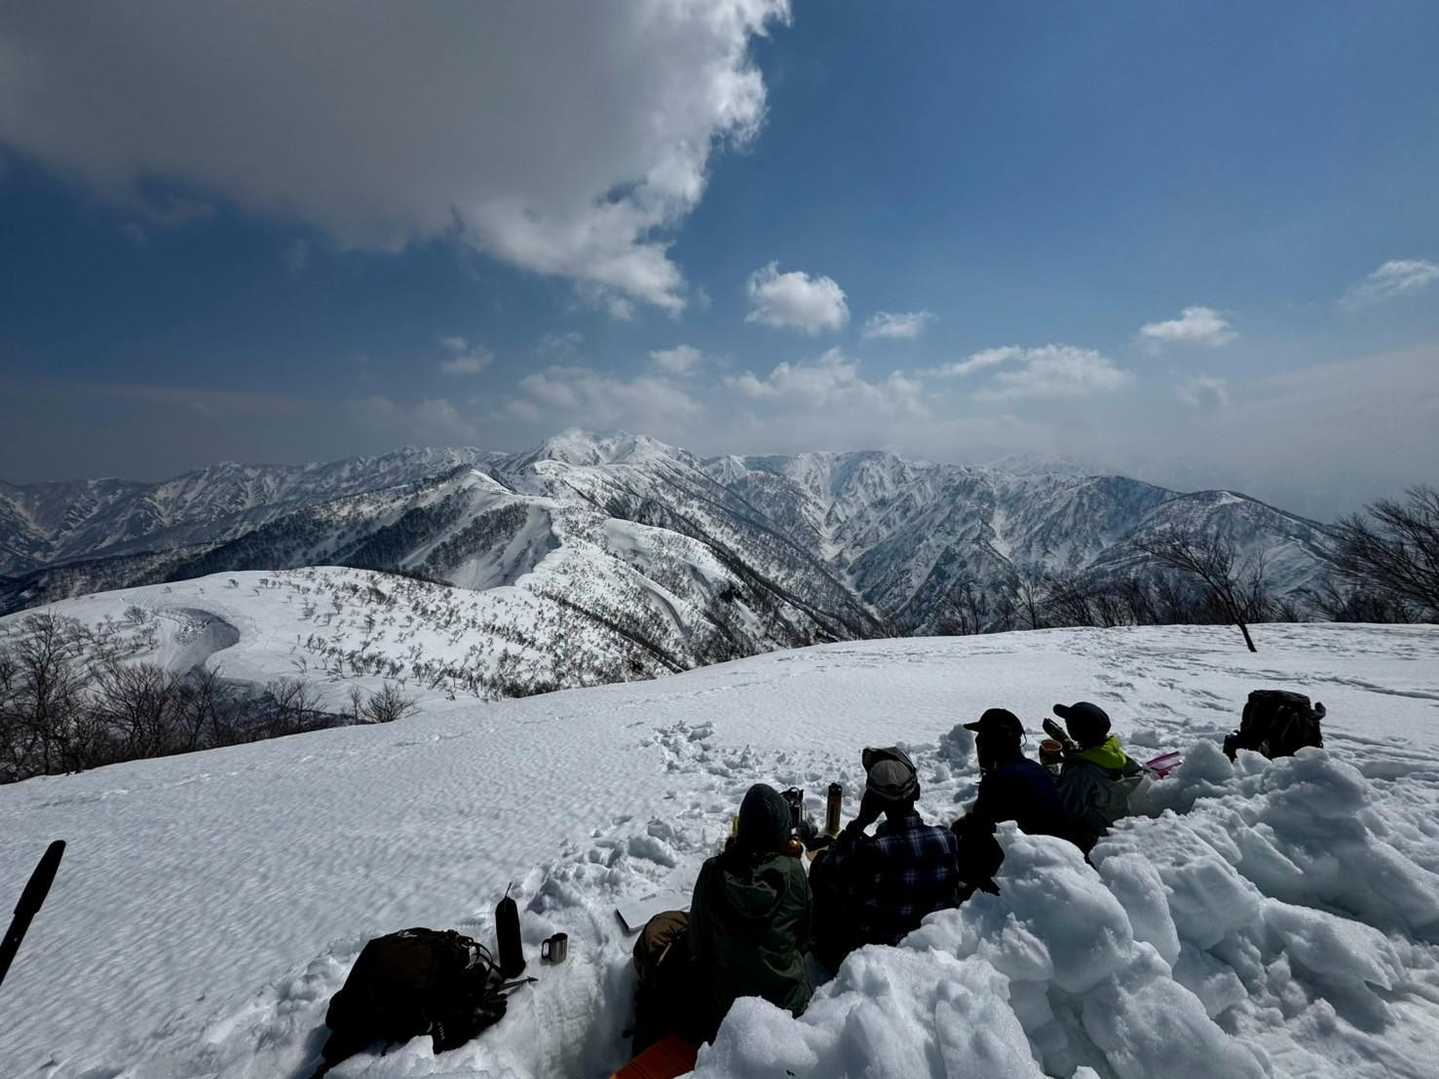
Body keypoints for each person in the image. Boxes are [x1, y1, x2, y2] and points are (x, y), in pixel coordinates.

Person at [811, 747, 964, 968]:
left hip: (881, 959)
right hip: (933, 949)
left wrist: (859, 823)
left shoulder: (871, 851)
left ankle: (822, 950)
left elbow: (828, 868)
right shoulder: (947, 839)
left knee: (820, 867)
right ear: (917, 792)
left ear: (873, 802)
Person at [687, 783, 813, 1043]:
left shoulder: (713, 871)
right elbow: (804, 938)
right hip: (787, 1008)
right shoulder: (794, 872)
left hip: (728, 1016)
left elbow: (697, 944)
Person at [951, 708, 1067, 841]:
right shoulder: (1037, 770)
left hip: (1027, 851)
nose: (979, 743)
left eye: (983, 738)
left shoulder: (998, 781)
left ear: (994, 742)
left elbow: (981, 829)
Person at [1051, 701, 1143, 852]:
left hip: (1091, 837)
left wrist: (1050, 768)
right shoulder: (1112, 754)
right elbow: (1095, 764)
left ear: (1074, 732)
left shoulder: (1080, 772)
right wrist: (1072, 750)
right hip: (1116, 823)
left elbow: (1063, 807)